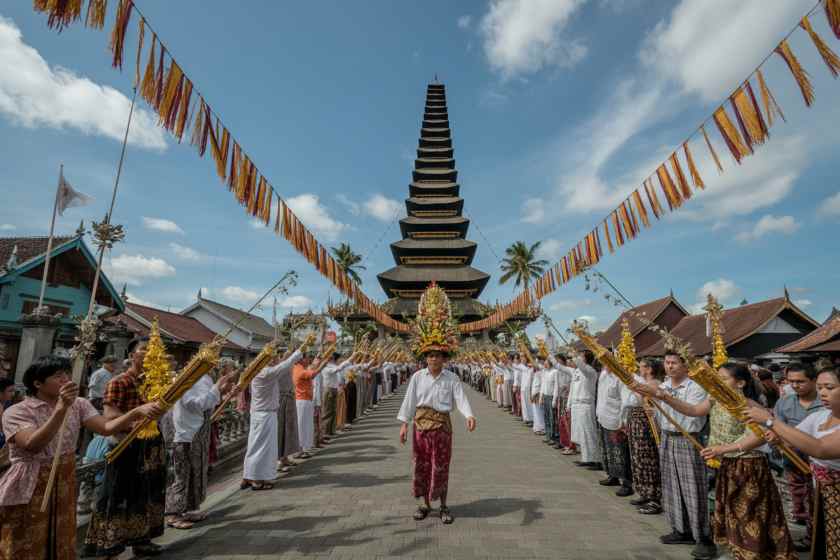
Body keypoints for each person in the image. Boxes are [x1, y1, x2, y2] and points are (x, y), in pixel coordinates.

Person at [0, 354, 161, 559]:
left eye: (67, 374)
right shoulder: (16, 411)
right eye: (58, 376)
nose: (66, 379)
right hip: (30, 480)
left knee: (61, 535)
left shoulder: (80, 404)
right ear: (38, 383)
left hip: (64, 477)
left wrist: (136, 412)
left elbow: (105, 427)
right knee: (27, 537)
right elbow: (33, 445)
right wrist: (60, 410)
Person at [697, 363, 796, 560]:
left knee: (751, 514)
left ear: (740, 383)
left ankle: (754, 553)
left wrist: (723, 449)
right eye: (717, 378)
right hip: (730, 464)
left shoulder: (750, 405)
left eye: (723, 378)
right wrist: (664, 397)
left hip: (749, 466)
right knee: (733, 512)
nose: (718, 382)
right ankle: (738, 551)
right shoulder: (718, 400)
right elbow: (693, 410)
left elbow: (760, 436)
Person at [84, 340, 169, 558]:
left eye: (153, 351)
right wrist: (137, 419)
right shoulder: (119, 382)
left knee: (146, 494)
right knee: (117, 494)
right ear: (132, 355)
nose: (150, 354)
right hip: (126, 444)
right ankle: (107, 544)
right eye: (144, 350)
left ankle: (142, 540)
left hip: (150, 446)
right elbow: (110, 418)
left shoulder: (155, 382)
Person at [747, 366, 840, 560]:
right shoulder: (820, 416)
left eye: (830, 387)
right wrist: (774, 434)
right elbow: (789, 438)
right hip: (823, 494)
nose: (823, 393)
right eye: (821, 387)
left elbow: (820, 448)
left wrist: (772, 422)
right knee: (825, 543)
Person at [636, 351, 714, 559]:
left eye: (674, 363)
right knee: (671, 486)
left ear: (685, 366)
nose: (670, 366)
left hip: (688, 439)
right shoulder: (664, 386)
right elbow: (656, 405)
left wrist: (665, 398)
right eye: (667, 362)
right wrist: (654, 408)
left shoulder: (695, 387)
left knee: (693, 489)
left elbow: (692, 412)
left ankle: (703, 537)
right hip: (668, 437)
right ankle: (681, 528)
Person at [398, 350, 475, 525]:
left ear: (444, 359)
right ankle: (424, 505)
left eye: (437, 355)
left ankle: (443, 505)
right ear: (426, 358)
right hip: (420, 427)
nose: (433, 358)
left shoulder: (452, 378)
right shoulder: (418, 377)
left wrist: (469, 416)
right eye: (430, 355)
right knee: (421, 465)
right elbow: (409, 401)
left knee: (441, 465)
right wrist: (404, 424)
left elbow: (460, 398)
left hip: (442, 427)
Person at [163, 360, 236, 530]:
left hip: (199, 431)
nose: (215, 366)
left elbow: (210, 400)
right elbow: (195, 404)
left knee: (196, 472)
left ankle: (188, 509)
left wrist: (222, 390)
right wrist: (217, 387)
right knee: (182, 474)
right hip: (186, 433)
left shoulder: (205, 378)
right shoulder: (184, 379)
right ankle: (173, 514)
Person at [241, 342, 307, 491]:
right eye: (270, 358)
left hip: (262, 414)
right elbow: (283, 366)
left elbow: (282, 366)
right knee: (262, 449)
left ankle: (251, 476)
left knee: (257, 447)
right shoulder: (264, 373)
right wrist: (298, 352)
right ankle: (257, 479)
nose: (273, 360)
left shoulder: (257, 371)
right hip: (265, 415)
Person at [772, 362, 823, 550]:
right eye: (791, 381)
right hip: (792, 460)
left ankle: (816, 537)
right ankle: (809, 534)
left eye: (800, 381)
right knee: (798, 498)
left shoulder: (825, 402)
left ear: (813, 380)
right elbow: (776, 427)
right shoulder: (785, 402)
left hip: (821, 461)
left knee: (818, 501)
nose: (795, 385)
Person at [620, 358, 663, 514]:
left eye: (642, 367)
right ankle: (643, 492)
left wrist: (634, 389)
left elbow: (643, 401)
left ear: (650, 369)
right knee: (637, 457)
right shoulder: (643, 383)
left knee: (647, 458)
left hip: (646, 422)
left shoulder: (655, 384)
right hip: (635, 420)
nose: (639, 369)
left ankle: (654, 497)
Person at [596, 367, 633, 497]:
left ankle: (627, 483)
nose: (605, 365)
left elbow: (624, 402)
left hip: (615, 420)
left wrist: (622, 421)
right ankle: (612, 475)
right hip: (603, 417)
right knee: (608, 451)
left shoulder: (620, 377)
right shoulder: (603, 374)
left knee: (621, 453)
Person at [293, 350, 331, 458]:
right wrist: (322, 365)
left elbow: (313, 367)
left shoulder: (303, 367)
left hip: (306, 400)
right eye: (307, 358)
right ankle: (299, 450)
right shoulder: (298, 369)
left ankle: (304, 448)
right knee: (301, 426)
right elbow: (313, 373)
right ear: (301, 359)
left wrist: (319, 357)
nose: (309, 360)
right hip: (301, 401)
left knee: (307, 426)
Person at [569, 350, 602, 469]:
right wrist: (570, 404)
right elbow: (572, 388)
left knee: (588, 432)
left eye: (581, 356)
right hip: (577, 404)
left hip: (586, 404)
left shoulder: (590, 371)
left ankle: (596, 459)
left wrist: (574, 356)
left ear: (586, 358)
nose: (579, 358)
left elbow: (582, 367)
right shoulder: (578, 371)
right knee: (580, 433)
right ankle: (586, 458)